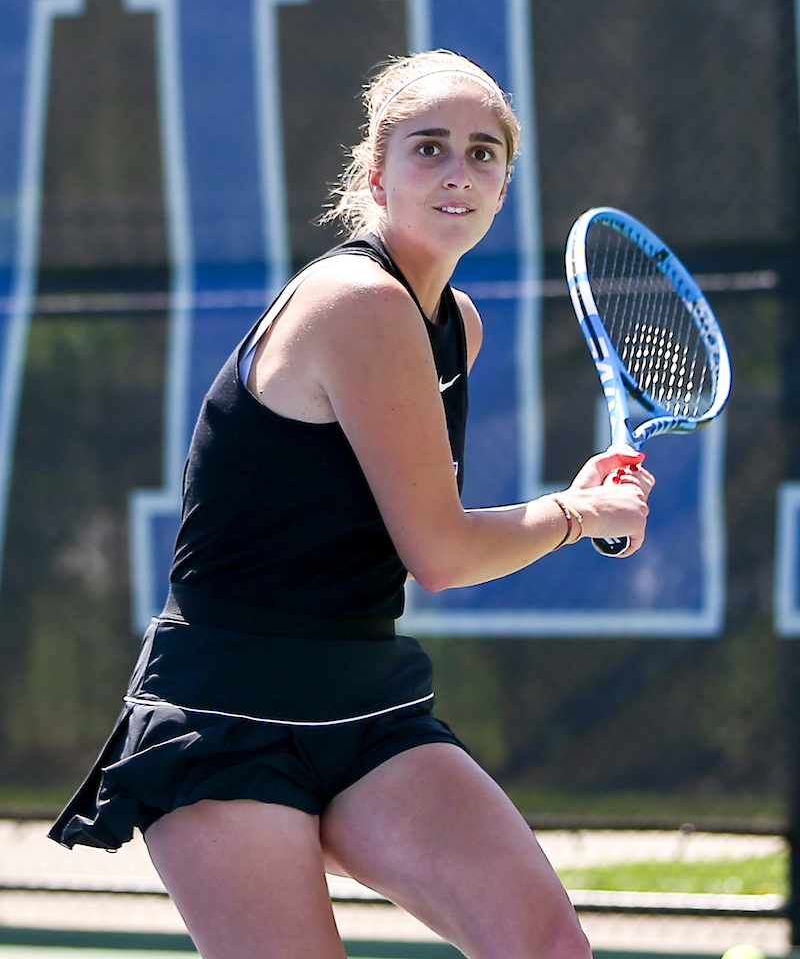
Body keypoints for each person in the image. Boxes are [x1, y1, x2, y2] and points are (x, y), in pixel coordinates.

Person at [50, 50, 653, 959]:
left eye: (485, 153)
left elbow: (390, 520)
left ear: (504, 183)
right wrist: (576, 513)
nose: (459, 171)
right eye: (430, 147)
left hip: (363, 702)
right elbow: (442, 555)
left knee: (546, 946)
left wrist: (578, 504)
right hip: (226, 713)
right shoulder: (358, 302)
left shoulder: (458, 323)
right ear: (377, 172)